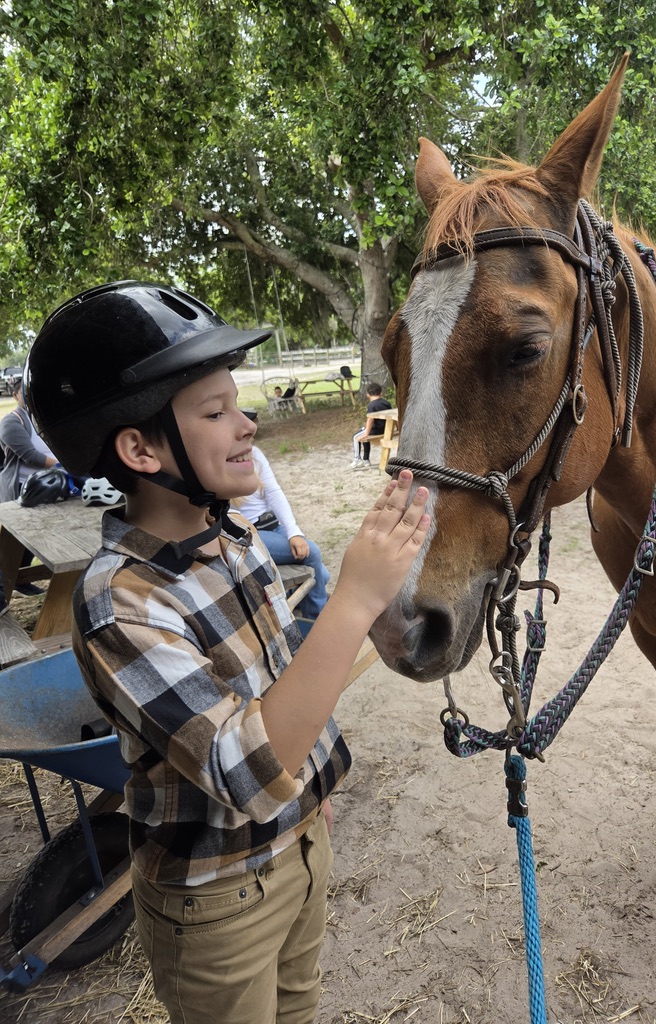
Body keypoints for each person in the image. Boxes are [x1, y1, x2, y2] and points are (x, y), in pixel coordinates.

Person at [25, 280, 429, 1024]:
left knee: (299, 1007)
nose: (246, 426)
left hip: (300, 851)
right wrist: (353, 602)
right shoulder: (122, 602)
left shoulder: (235, 540)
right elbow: (245, 769)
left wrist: (313, 793)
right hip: (215, 902)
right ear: (139, 448)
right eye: (215, 413)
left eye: (235, 403)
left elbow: (277, 678)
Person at [237, 415, 330, 637]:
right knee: (314, 555)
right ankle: (315, 623)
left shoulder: (254, 454)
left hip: (271, 525)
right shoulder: (215, 462)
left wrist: (293, 531)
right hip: (249, 531)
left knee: (322, 574)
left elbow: (274, 492)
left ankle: (297, 610)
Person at [0, 378, 60, 595]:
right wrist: (66, 466)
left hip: (51, 487)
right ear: (16, 395)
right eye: (23, 392)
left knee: (50, 536)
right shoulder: (11, 422)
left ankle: (24, 578)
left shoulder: (44, 418)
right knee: (20, 540)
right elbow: (30, 456)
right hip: (23, 489)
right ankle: (17, 581)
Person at [350, 382, 391, 470]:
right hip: (385, 429)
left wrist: (366, 433)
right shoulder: (386, 403)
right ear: (381, 393)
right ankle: (365, 460)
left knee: (355, 437)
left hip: (375, 430)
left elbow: (370, 420)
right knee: (364, 436)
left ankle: (357, 459)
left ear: (368, 394)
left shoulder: (371, 405)